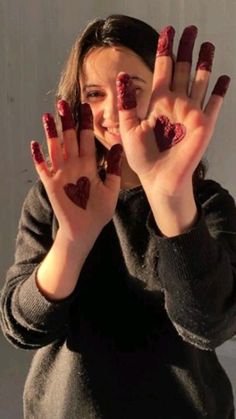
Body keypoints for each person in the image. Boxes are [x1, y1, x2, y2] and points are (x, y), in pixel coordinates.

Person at [0, 13, 236, 419]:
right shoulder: (55, 197)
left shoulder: (207, 204)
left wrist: (170, 197)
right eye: (94, 93)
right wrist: (73, 239)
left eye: (130, 88)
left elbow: (210, 325)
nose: (112, 111)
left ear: (164, 89)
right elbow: (21, 327)